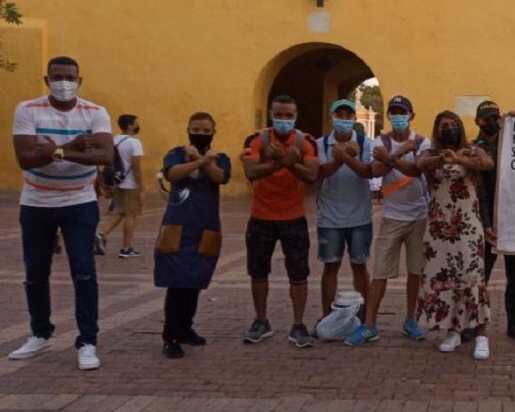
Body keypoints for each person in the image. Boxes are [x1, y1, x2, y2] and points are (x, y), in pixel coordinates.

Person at [9, 56, 113, 370]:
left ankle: (87, 341)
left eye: (69, 77)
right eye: (56, 77)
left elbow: (105, 154)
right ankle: (40, 333)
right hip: (36, 202)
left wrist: (54, 150)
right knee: (35, 272)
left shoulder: (95, 112)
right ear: (47, 79)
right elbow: (25, 160)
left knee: (83, 270)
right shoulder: (27, 109)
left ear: (79, 81)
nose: (63, 83)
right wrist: (76, 148)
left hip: (79, 202)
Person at [346, 95, 430, 345]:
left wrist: (392, 157)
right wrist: (402, 153)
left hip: (419, 215)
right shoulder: (379, 141)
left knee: (415, 271)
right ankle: (370, 324)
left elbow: (416, 170)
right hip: (392, 216)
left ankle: (411, 319)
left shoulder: (423, 142)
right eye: (393, 112)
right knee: (380, 272)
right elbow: (376, 171)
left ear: (411, 115)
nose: (397, 116)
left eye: (402, 111)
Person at [241, 94, 319, 347]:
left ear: (296, 116)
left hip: (293, 217)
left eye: (288, 115)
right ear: (270, 115)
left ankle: (298, 324)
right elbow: (250, 172)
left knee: (298, 273)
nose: (283, 120)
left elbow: (311, 175)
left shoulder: (305, 142)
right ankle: (260, 320)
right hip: (261, 216)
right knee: (258, 271)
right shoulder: (257, 140)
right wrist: (277, 163)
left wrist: (292, 164)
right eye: (279, 115)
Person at [415, 110, 494, 358]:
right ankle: (453, 332)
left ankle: (482, 335)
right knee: (445, 278)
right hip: (439, 227)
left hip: (468, 226)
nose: (448, 129)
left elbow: (487, 164)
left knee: (472, 278)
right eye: (443, 126)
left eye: (452, 124)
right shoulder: (431, 153)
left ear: (460, 127)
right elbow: (421, 165)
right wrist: (443, 159)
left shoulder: (473, 150)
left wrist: (459, 159)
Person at [155, 112, 230, 358]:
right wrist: (198, 162)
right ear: (188, 129)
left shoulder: (220, 158)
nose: (200, 134)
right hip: (178, 227)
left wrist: (204, 161)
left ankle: (186, 328)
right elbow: (172, 173)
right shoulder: (176, 153)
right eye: (196, 129)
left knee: (195, 281)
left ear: (213, 131)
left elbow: (220, 177)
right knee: (177, 283)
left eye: (206, 130)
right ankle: (171, 335)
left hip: (205, 227)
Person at [470, 101, 515, 342]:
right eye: (486, 118)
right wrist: (486, 224)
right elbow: (480, 190)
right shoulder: (474, 149)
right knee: (479, 275)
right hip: (487, 222)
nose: (491, 122)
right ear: (477, 122)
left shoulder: (514, 142)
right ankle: (473, 322)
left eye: (495, 118)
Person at [315, 100, 376, 318]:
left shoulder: (366, 143)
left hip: (360, 217)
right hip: (329, 218)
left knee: (360, 266)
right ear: (331, 117)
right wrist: (342, 159)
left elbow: (368, 172)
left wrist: (346, 158)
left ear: (354, 119)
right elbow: (319, 172)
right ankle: (325, 315)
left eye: (348, 116)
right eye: (339, 114)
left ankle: (366, 316)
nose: (343, 119)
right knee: (330, 267)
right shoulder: (320, 144)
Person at [95, 114, 144, 258]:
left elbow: (104, 162)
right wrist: (142, 188)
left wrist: (104, 184)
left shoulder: (113, 141)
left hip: (117, 182)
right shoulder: (135, 143)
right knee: (131, 215)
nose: (137, 125)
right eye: (136, 123)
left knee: (119, 212)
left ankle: (101, 234)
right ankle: (126, 248)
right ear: (130, 125)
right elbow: (136, 168)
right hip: (131, 184)